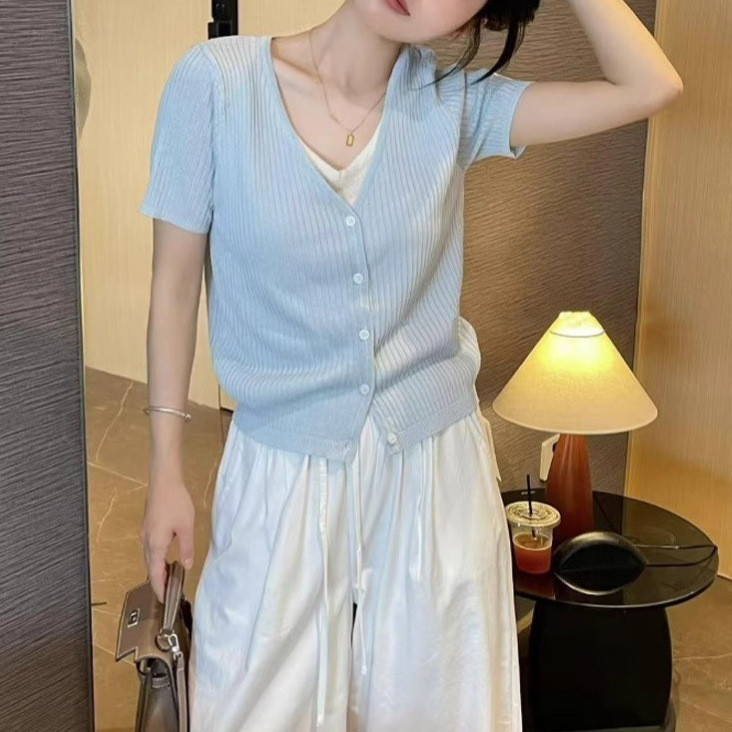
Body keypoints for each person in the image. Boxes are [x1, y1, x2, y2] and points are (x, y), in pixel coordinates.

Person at [138, 0, 682, 729]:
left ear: (468, 21)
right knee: (251, 705)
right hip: (280, 474)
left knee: (437, 706)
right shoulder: (214, 83)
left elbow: (651, 85)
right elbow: (173, 290)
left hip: (434, 475)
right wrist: (165, 470)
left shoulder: (455, 102)